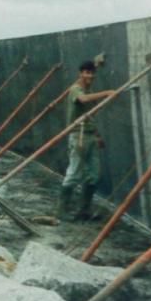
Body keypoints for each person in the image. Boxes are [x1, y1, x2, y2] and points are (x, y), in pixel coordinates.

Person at [58, 60, 117, 222]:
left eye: (92, 73)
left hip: (90, 135)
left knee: (94, 175)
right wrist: (106, 93)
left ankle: (84, 210)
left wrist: (98, 136)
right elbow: (83, 100)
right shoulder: (75, 90)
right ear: (81, 73)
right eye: (86, 73)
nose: (90, 75)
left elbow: (89, 116)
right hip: (78, 136)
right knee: (74, 173)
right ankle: (62, 211)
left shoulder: (88, 89)